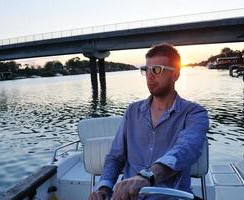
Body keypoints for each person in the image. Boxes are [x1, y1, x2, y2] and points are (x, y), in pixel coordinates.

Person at [88, 43, 209, 200]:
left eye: (157, 69)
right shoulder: (132, 111)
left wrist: (147, 176)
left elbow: (185, 149)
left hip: (171, 196)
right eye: (146, 70)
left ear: (175, 75)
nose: (150, 76)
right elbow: (115, 156)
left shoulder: (194, 113)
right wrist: (104, 188)